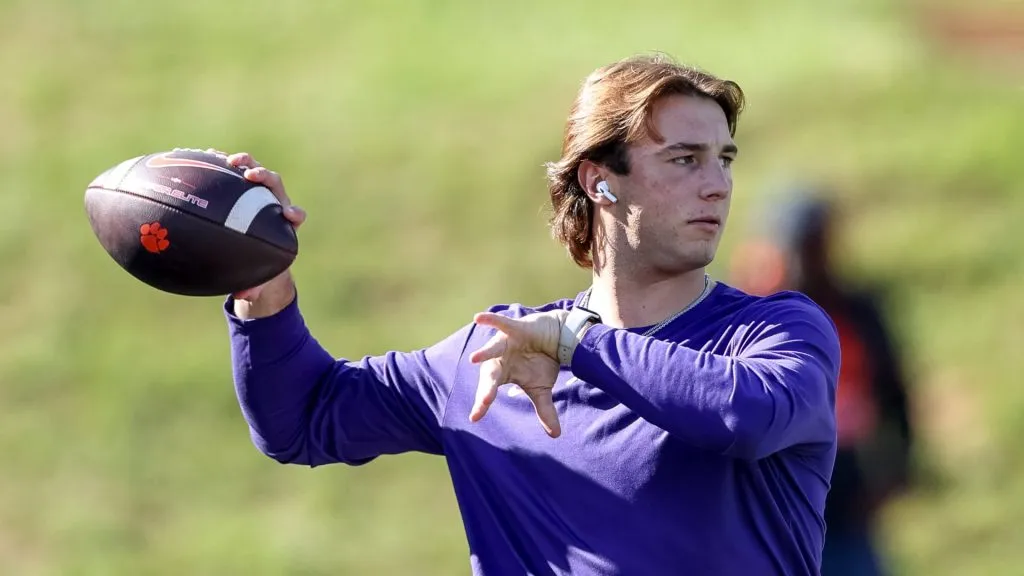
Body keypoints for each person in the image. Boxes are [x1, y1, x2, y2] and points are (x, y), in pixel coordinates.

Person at [217, 53, 842, 576]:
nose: (718, 185)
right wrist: (260, 283)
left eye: (724, 159)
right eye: (685, 159)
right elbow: (300, 418)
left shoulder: (778, 330)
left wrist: (576, 344)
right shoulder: (495, 353)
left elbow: (747, 414)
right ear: (600, 182)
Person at [730, 188, 915, 576]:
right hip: (769, 508)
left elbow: (894, 393)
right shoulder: (750, 317)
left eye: (818, 244)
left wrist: (897, 470)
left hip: (845, 503)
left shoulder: (856, 311)